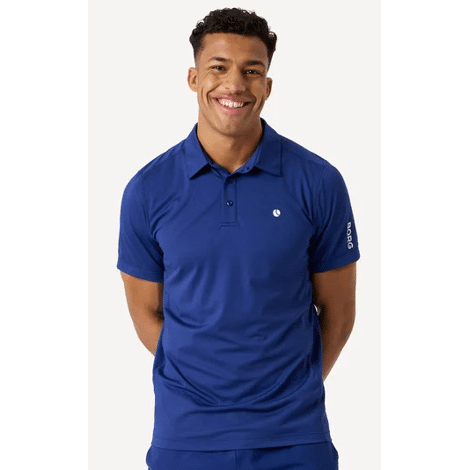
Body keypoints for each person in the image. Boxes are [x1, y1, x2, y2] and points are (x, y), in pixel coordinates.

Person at [118, 8, 359, 470]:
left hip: (295, 437)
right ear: (193, 78)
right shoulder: (147, 189)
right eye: (218, 67)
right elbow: (145, 311)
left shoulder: (319, 181)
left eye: (252, 71)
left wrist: (290, 388)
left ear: (267, 85)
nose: (234, 84)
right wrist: (203, 379)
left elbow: (340, 312)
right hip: (185, 437)